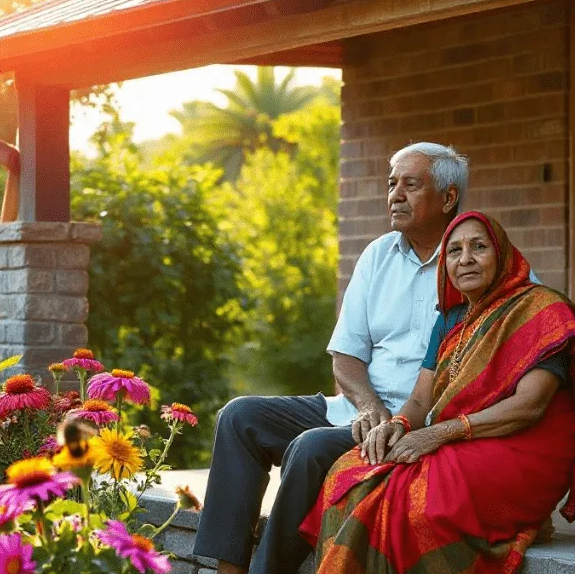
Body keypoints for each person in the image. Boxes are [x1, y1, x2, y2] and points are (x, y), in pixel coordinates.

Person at [193, 142, 471, 574]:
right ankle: (227, 569)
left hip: (419, 426)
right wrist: (369, 407)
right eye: (391, 183)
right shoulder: (378, 255)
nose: (395, 195)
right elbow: (346, 357)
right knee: (239, 417)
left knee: (310, 447)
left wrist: (392, 421)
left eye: (410, 185)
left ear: (448, 198)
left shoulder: (475, 259)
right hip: (359, 410)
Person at [301, 211, 575, 574]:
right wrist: (398, 424)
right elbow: (422, 400)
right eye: (453, 251)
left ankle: (521, 514)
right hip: (464, 441)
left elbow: (529, 407)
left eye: (479, 247)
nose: (465, 259)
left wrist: (439, 433)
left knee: (421, 503)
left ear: (501, 254)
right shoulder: (449, 318)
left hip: (528, 444)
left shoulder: (543, 311)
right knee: (349, 474)